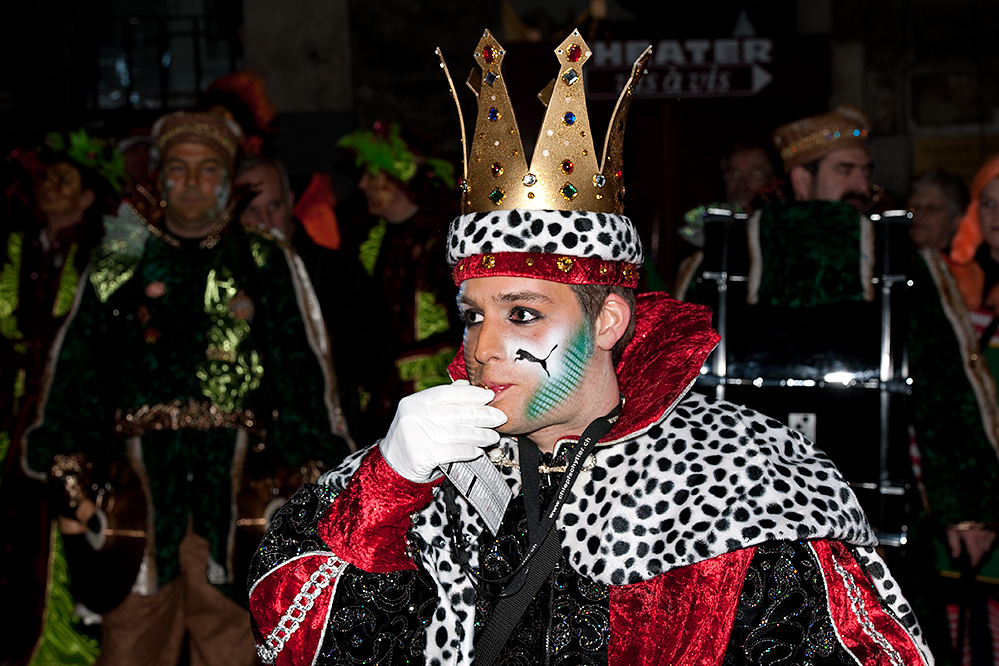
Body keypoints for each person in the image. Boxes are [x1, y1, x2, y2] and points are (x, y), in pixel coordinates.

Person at [247, 31, 932, 665]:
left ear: (606, 321)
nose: (484, 346)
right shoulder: (427, 471)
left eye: (521, 313)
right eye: (470, 314)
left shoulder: (745, 478)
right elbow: (293, 639)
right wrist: (387, 489)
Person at [23, 111, 353, 666]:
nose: (194, 182)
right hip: (136, 495)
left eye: (207, 169)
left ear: (228, 178)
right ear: (159, 176)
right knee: (130, 642)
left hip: (239, 491)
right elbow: (80, 365)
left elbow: (302, 376)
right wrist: (67, 466)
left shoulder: (264, 258)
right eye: (179, 169)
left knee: (232, 643)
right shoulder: (121, 254)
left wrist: (312, 477)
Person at [681, 106, 999, 663]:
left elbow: (946, 387)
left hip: (877, 510)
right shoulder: (720, 261)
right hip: (751, 516)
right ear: (802, 179)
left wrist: (964, 508)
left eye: (865, 170)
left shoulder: (902, 260)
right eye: (845, 170)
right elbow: (685, 391)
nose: (862, 185)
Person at [0, 129, 123, 665]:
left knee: (62, 523)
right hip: (13, 407)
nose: (49, 186)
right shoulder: (15, 246)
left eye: (64, 179)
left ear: (89, 194)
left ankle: (63, 644)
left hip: (72, 412)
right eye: (45, 178)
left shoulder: (106, 253)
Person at [235, 154, 383, 443]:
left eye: (274, 206)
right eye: (251, 210)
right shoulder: (223, 281)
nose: (265, 222)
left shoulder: (339, 273)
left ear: (291, 202)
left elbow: (368, 359)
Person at [336, 121, 461, 425]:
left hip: (437, 393)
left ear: (397, 177)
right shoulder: (363, 240)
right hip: (380, 392)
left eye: (371, 174)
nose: (362, 184)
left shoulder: (446, 237)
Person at [908, 168, 968, 254]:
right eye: (914, 208)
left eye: (931, 209)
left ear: (956, 219)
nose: (919, 214)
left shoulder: (966, 265)